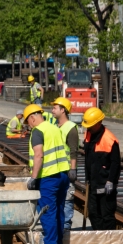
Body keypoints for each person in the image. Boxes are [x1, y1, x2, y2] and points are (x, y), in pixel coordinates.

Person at [24, 104, 70, 244]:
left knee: (47, 212)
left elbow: (39, 155)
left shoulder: (38, 131)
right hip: (63, 174)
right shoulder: (54, 128)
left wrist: (33, 178)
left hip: (48, 177)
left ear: (32, 118)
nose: (28, 126)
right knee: (58, 211)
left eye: (27, 122)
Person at [82, 107, 120, 231]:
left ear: (99, 123)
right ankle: (99, 238)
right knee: (93, 213)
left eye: (91, 125)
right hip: (93, 182)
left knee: (107, 215)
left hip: (105, 185)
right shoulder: (88, 134)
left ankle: (109, 241)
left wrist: (111, 181)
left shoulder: (110, 140)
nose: (89, 128)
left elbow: (116, 163)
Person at [52, 97, 79, 234]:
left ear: (63, 110)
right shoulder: (56, 127)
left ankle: (66, 227)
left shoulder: (71, 128)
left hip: (67, 170)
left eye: (55, 108)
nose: (52, 111)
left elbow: (73, 150)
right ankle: (59, 226)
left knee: (68, 199)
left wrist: (73, 169)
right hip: (57, 170)